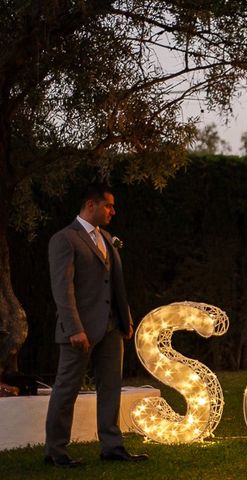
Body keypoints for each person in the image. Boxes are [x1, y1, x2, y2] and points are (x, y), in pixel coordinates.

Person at [44, 184, 148, 467]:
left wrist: (125, 318)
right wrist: (74, 328)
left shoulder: (107, 238)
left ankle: (112, 446)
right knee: (67, 389)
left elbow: (116, 284)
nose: (113, 211)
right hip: (80, 330)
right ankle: (55, 451)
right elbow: (62, 289)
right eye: (108, 206)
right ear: (91, 204)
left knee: (111, 387)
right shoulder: (65, 239)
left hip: (112, 328)